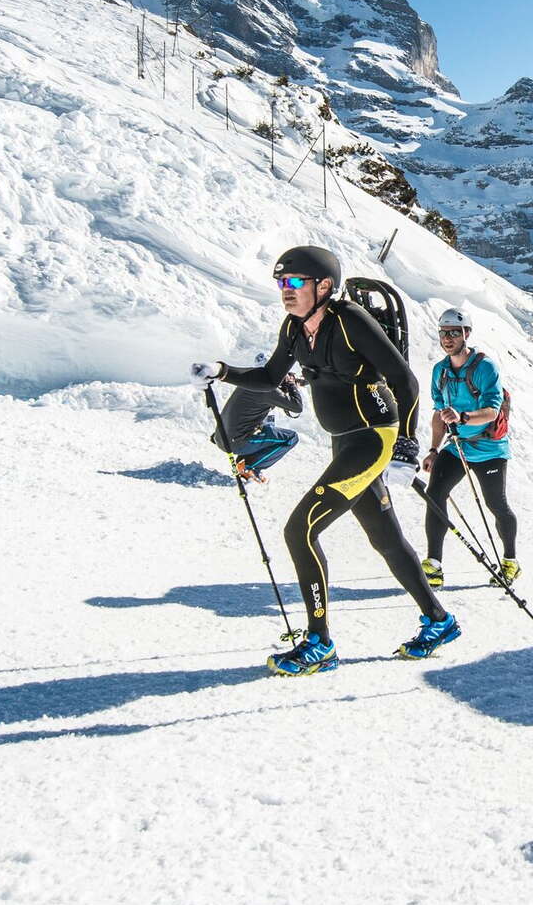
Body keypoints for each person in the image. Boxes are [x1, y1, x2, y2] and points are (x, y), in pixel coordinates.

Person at [195, 246, 456, 675]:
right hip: (344, 441)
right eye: (282, 283)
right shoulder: (296, 328)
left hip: (372, 439)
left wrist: (406, 445)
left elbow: (403, 380)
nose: (286, 291)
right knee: (385, 538)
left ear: (323, 286)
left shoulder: (349, 321)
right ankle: (439, 620)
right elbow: (269, 377)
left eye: (295, 282)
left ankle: (320, 643)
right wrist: (222, 371)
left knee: (300, 530)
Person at [420, 306, 521, 586]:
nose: (447, 338)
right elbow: (438, 414)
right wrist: (433, 450)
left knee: (495, 503)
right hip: (458, 446)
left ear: (466, 334)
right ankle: (434, 565)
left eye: (454, 332)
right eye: (443, 333)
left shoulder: (485, 367)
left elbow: (492, 409)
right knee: (435, 494)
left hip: (489, 449)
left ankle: (510, 561)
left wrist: (463, 417)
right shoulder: (440, 371)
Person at [210, 374, 302, 482]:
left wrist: (286, 386)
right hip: (235, 442)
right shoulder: (268, 390)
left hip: (222, 437)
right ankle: (250, 467)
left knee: (267, 428)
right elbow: (297, 407)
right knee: (291, 438)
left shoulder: (250, 382)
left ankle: (244, 461)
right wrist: (291, 385)